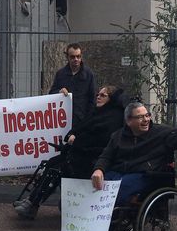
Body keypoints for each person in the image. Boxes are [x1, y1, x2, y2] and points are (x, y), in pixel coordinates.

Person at [13, 85, 125, 219]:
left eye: (103, 95)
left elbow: (99, 139)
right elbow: (80, 127)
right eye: (98, 94)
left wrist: (76, 141)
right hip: (81, 152)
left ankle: (33, 203)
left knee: (58, 168)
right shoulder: (96, 112)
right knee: (50, 163)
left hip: (95, 157)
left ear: (111, 99)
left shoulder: (113, 118)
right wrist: (71, 135)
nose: (98, 97)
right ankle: (32, 200)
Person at [91, 102, 177, 206]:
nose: (146, 120)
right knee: (95, 184)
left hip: (144, 174)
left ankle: (105, 227)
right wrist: (99, 169)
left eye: (147, 115)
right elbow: (106, 156)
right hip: (119, 172)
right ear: (129, 121)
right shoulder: (118, 136)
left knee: (120, 188)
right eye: (140, 117)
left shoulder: (161, 133)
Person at [49, 43, 96, 127]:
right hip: (63, 119)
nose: (76, 59)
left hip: (81, 119)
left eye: (78, 56)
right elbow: (51, 93)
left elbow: (92, 98)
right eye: (72, 57)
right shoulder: (61, 74)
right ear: (67, 57)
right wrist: (59, 91)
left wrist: (88, 119)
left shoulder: (88, 74)